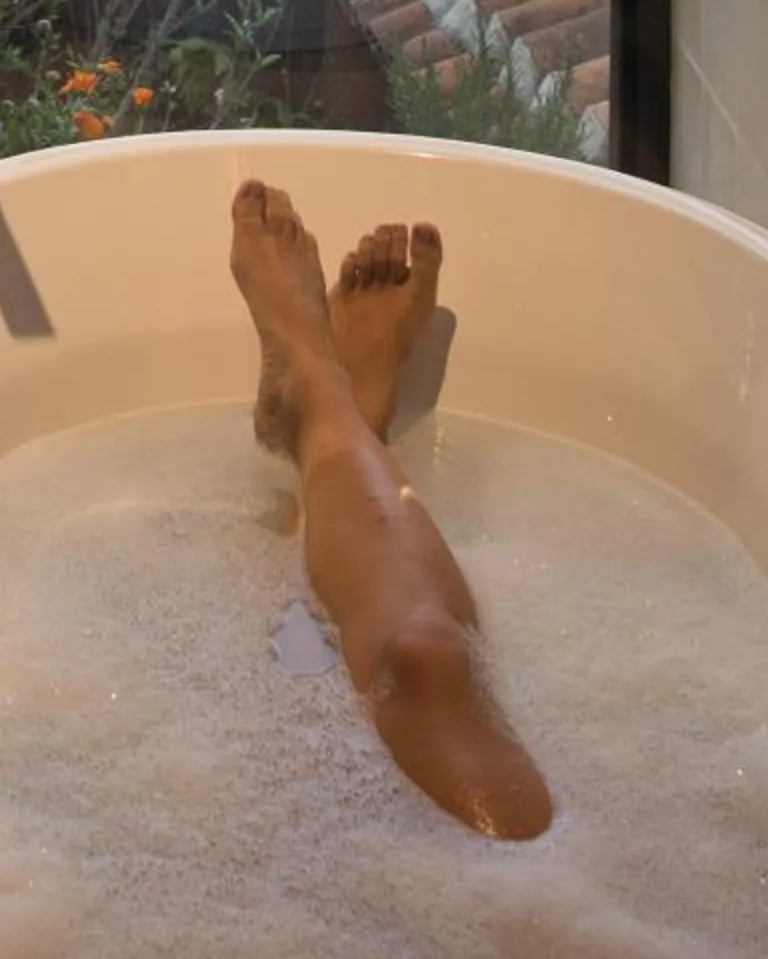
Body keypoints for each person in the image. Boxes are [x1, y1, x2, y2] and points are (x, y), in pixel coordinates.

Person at [229, 173, 553, 842]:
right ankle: (337, 417)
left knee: (422, 659)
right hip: (524, 899)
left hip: (498, 905)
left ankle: (317, 387)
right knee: (427, 660)